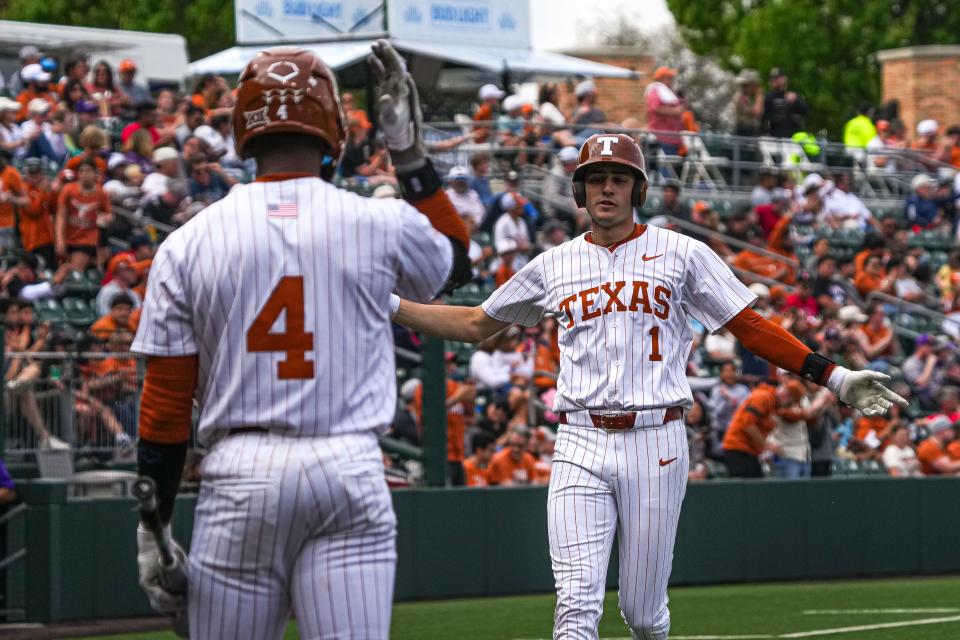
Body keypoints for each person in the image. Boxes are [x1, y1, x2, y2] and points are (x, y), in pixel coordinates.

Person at [390, 132, 904, 639]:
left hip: (655, 438)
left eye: (619, 179)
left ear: (638, 190)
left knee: (642, 614)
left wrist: (832, 375)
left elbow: (748, 326)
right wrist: (389, 303)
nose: (606, 189)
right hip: (578, 439)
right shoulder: (555, 263)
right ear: (580, 190)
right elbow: (477, 323)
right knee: (574, 606)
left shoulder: (681, 251)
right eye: (595, 179)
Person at [132, 42, 470, 639]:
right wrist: (409, 150)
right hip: (348, 466)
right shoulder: (376, 220)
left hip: (240, 472)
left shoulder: (187, 242)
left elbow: (163, 409)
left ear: (243, 127)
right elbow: (456, 262)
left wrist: (152, 526)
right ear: (334, 130)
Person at [56, 159, 111, 271]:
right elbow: (61, 216)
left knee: (75, 269)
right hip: (69, 235)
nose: (85, 174)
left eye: (88, 171)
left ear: (95, 173)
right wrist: (59, 239)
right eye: (81, 171)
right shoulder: (69, 190)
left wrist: (105, 218)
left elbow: (108, 214)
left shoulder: (101, 193)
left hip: (87, 238)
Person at [645, 66, 684, 155]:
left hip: (672, 139)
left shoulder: (668, 91)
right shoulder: (656, 90)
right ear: (663, 78)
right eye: (669, 77)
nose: (672, 79)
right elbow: (655, 107)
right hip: (662, 138)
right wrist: (675, 111)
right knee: (664, 166)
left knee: (671, 165)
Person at [762, 68, 807, 138]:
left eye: (778, 78)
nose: (775, 80)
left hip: (791, 138)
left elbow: (805, 110)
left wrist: (796, 100)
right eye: (773, 78)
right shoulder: (767, 97)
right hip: (772, 137)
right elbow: (762, 117)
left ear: (785, 79)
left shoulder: (793, 95)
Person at [733, 68, 763, 137]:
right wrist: (759, 96)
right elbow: (756, 112)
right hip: (744, 132)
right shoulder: (741, 97)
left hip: (752, 132)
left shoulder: (750, 97)